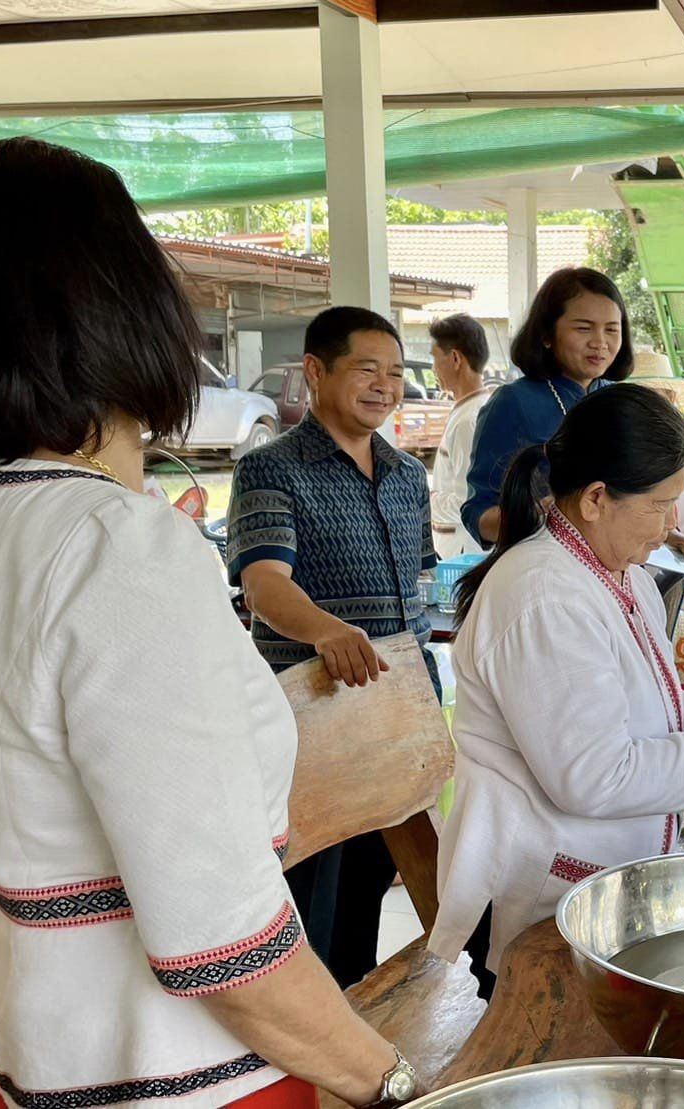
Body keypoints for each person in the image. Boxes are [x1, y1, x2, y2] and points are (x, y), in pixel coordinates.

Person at [0, 137, 416, 1109]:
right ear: (122, 304)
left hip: (41, 1071)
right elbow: (226, 947)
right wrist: (392, 1081)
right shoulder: (113, 548)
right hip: (185, 1084)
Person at [428, 384, 684, 993]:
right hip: (534, 909)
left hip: (600, 886)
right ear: (597, 498)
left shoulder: (621, 576)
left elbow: (651, 712)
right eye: (660, 504)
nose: (674, 525)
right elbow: (597, 773)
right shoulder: (542, 594)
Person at [227, 306, 438, 990]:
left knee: (373, 880)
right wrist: (326, 629)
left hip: (397, 719)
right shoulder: (270, 469)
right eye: (366, 370)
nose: (384, 385)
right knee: (311, 886)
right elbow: (263, 584)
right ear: (315, 371)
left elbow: (418, 584)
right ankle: (314, 1050)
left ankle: (357, 1028)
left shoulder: (407, 476)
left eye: (396, 374)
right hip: (311, 722)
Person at [461, 267, 633, 547]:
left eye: (612, 329)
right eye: (583, 328)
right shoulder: (513, 402)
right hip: (542, 569)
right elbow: (478, 514)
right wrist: (537, 517)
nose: (600, 342)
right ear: (546, 334)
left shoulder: (623, 403)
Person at [628, 350, 684, 694]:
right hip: (643, 580)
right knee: (654, 687)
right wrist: (665, 534)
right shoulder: (626, 453)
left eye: (663, 399)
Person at [428, 312, 492, 559]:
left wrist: (424, 500)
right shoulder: (468, 410)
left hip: (463, 552)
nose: (434, 369)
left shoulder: (470, 420)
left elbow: (466, 501)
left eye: (435, 359)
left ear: (455, 358)